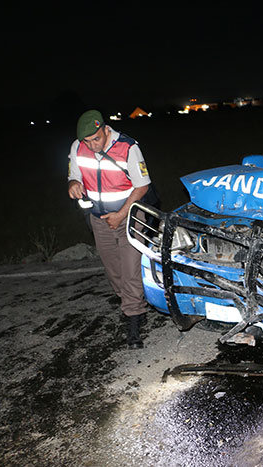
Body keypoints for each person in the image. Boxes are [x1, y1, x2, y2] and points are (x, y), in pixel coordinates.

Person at [67, 110, 150, 349]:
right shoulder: (77, 147)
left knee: (130, 269)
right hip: (99, 218)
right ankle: (134, 306)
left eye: (96, 139)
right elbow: (74, 174)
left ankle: (133, 322)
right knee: (114, 272)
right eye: (87, 141)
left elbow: (142, 186)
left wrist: (121, 215)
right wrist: (74, 183)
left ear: (105, 129)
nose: (92, 145)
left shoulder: (128, 147)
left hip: (131, 215)